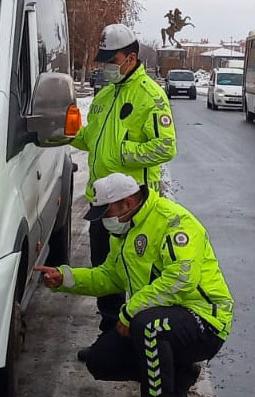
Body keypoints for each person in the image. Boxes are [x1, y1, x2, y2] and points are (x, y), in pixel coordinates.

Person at [34, 173, 234, 397]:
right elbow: (109, 276)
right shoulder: (126, 232)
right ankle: (178, 373)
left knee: (146, 325)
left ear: (127, 203)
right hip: (165, 317)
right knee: (100, 360)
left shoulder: (174, 222)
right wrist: (65, 277)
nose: (105, 220)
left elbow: (182, 279)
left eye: (107, 212)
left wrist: (130, 311)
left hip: (204, 320)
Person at [71, 24, 178, 357]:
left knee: (139, 275)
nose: (105, 65)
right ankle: (110, 343)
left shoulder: (150, 96)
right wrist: (63, 131)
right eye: (102, 60)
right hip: (103, 203)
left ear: (131, 57)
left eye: (111, 59)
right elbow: (90, 140)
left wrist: (124, 152)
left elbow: (167, 146)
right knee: (106, 272)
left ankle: (149, 346)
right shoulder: (105, 95)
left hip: (134, 207)